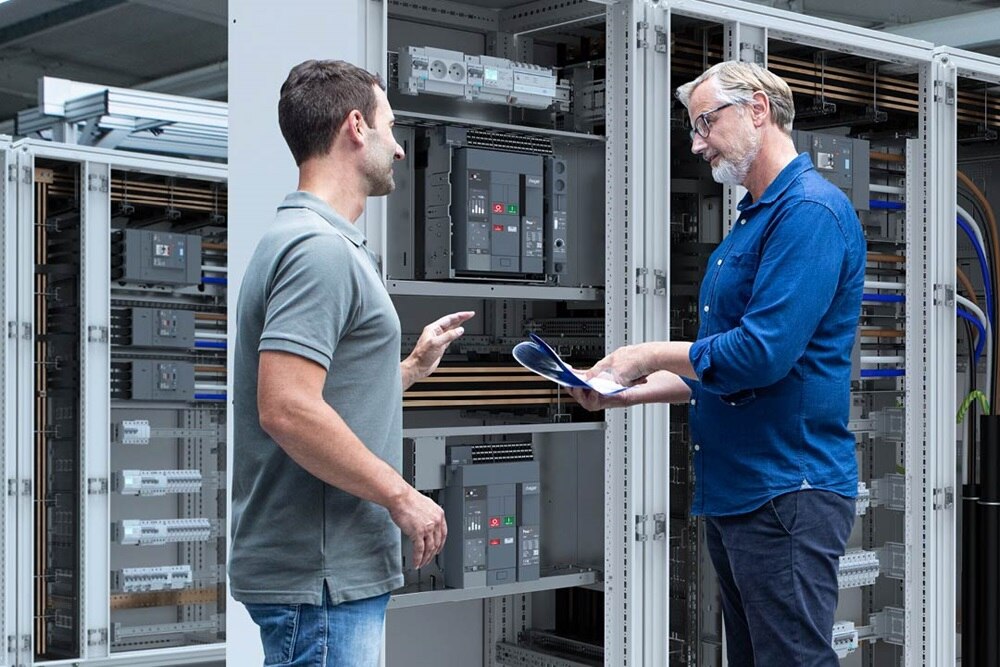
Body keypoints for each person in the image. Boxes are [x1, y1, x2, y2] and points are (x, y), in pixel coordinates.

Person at [569, 61, 864, 666]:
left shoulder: (809, 213)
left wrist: (646, 353)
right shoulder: (754, 218)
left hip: (786, 490)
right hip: (742, 491)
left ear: (757, 110)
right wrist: (627, 389)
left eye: (705, 123)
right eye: (693, 128)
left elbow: (760, 354)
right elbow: (719, 368)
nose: (697, 143)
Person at [230, 59, 474, 667]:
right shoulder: (319, 251)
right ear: (356, 127)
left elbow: (320, 394)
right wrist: (401, 496)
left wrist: (409, 369)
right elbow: (287, 407)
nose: (399, 148)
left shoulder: (314, 241)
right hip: (321, 579)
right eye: (390, 127)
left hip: (331, 574)